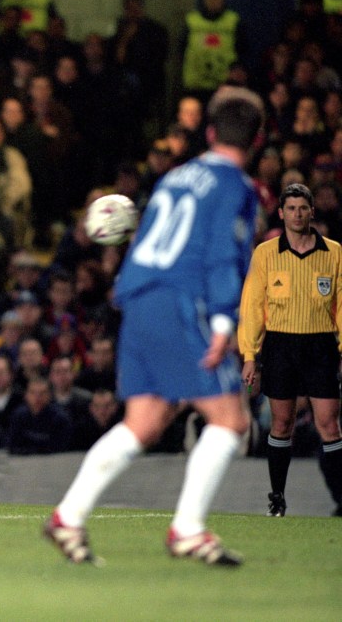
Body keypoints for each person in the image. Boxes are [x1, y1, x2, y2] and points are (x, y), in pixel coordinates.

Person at [44, 86, 264, 567]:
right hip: (181, 299)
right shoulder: (238, 189)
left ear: (208, 132)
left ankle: (69, 516)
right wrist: (226, 320)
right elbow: (224, 255)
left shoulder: (175, 176)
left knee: (143, 423)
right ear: (259, 139)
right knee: (231, 420)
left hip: (139, 298)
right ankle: (187, 529)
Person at [238, 183, 342, 517]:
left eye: (303, 208)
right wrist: (250, 355)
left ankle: (341, 497)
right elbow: (252, 306)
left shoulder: (335, 252)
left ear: (312, 211)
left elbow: (341, 306)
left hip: (321, 344)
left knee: (329, 424)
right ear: (281, 213)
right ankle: (277, 498)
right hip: (281, 345)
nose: (297, 214)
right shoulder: (266, 254)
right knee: (282, 424)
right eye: (291, 208)